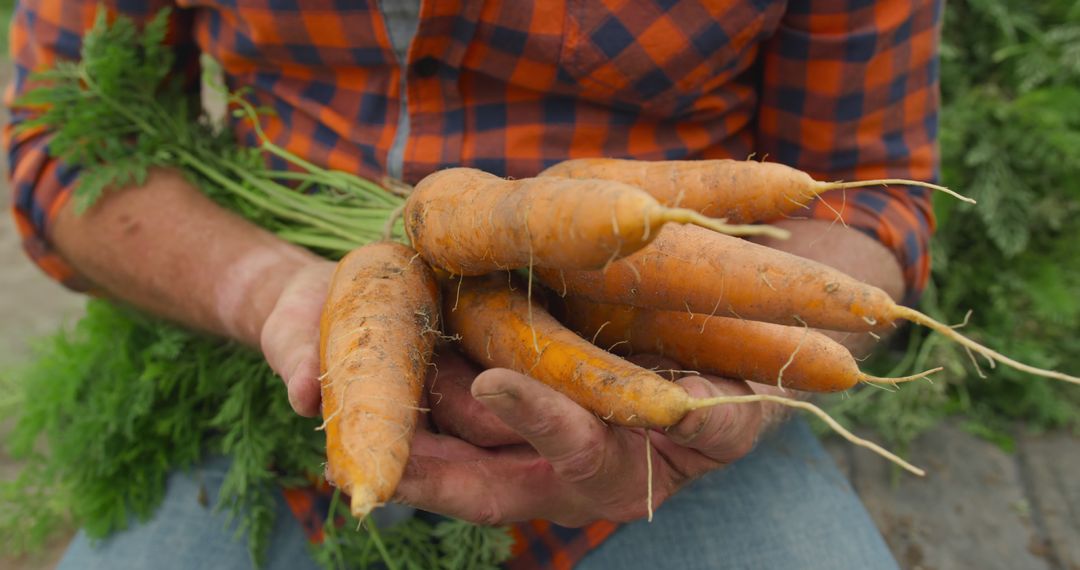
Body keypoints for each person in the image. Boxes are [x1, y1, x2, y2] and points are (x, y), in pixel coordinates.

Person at [6, 1, 940, 568]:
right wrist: (263, 287)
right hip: (272, 393)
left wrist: (746, 394)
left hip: (662, 407)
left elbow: (870, 195)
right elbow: (63, 141)